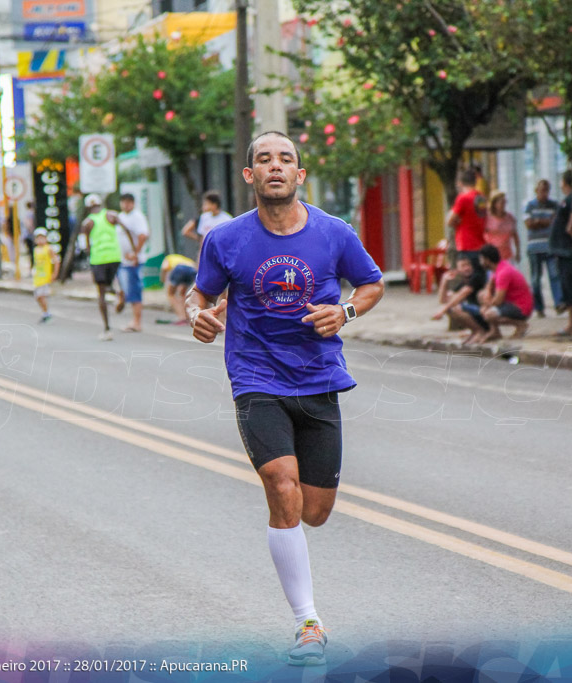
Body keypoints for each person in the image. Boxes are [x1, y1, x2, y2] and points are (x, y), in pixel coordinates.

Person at [187, 131, 384, 666]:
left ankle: (299, 558)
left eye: (286, 159)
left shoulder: (333, 233)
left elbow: (371, 283)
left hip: (319, 379)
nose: (276, 166)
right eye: (264, 160)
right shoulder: (225, 239)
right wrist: (196, 313)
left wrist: (345, 312)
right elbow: (200, 291)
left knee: (313, 512)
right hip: (256, 379)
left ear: (300, 174)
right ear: (249, 176)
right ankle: (309, 623)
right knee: (281, 484)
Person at [466, 244, 532, 344]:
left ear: (487, 260)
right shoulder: (499, 267)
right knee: (481, 295)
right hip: (511, 303)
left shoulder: (503, 272)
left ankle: (521, 325)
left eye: (481, 259)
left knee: (489, 314)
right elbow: (490, 284)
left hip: (520, 307)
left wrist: (486, 306)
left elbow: (498, 300)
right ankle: (495, 331)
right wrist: (487, 294)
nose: (480, 262)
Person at [81, 193, 123, 341]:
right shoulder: (111, 215)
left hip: (98, 259)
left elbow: (86, 246)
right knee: (110, 284)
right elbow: (127, 230)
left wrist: (89, 253)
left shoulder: (87, 223)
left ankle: (106, 328)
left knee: (101, 294)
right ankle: (118, 292)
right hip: (114, 256)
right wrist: (135, 250)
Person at [523, 179, 562, 318]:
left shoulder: (554, 205)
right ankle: (539, 307)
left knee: (554, 275)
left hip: (550, 246)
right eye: (541, 190)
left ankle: (558, 303)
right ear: (536, 191)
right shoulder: (529, 205)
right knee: (535, 279)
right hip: (534, 247)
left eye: (546, 190)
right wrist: (545, 222)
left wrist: (538, 221)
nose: (543, 193)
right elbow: (529, 224)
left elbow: (556, 222)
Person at [431, 253, 489, 343]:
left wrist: (442, 311)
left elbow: (462, 294)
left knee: (456, 308)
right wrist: (444, 281)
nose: (466, 268)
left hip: (485, 313)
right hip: (477, 312)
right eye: (463, 266)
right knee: (451, 307)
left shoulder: (477, 277)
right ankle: (475, 331)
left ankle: (480, 331)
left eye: (468, 265)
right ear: (458, 269)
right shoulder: (463, 282)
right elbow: (443, 300)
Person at [548, 171, 572, 337]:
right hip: (562, 248)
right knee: (566, 286)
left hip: (566, 250)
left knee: (568, 286)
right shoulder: (567, 199)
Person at [116, 193, 150, 332]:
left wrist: (135, 254)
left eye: (129, 202)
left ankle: (137, 322)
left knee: (134, 289)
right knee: (125, 287)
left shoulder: (137, 217)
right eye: (124, 202)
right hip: (122, 260)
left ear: (133, 203)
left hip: (133, 261)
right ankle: (122, 299)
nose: (126, 205)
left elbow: (143, 235)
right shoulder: (121, 217)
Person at [447, 168, 488, 262]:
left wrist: (457, 222)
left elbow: (449, 221)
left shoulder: (463, 198)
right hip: (481, 244)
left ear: (460, 183)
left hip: (466, 244)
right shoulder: (481, 198)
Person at [158, 253, 197, 325]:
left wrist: (162, 280)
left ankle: (181, 317)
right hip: (192, 270)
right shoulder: (183, 258)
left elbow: (164, 268)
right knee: (182, 294)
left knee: (170, 294)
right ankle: (188, 316)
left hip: (180, 268)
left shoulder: (168, 258)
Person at [484, 190, 520, 263]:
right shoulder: (487, 218)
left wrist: (518, 252)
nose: (503, 205)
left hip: (507, 255)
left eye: (505, 202)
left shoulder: (510, 218)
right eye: (501, 203)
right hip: (492, 256)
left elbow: (515, 236)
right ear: (494, 204)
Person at [32, 228, 59, 323]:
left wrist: (54, 273)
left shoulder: (48, 249)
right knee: (37, 296)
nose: (40, 240)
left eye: (42, 237)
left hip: (45, 276)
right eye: (38, 238)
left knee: (41, 295)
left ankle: (46, 312)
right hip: (38, 277)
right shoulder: (36, 250)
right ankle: (45, 312)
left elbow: (56, 261)